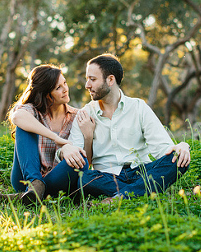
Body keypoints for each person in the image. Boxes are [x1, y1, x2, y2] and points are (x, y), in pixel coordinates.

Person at [65, 54, 192, 199]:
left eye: (92, 79)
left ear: (110, 80)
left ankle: (120, 197)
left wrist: (181, 146)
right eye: (87, 79)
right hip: (106, 177)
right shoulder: (84, 115)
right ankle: (143, 189)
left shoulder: (138, 107)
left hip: (140, 171)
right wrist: (83, 139)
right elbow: (78, 161)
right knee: (84, 178)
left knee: (178, 161)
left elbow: (163, 149)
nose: (87, 85)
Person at [0, 64, 88, 204]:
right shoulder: (32, 111)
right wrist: (56, 139)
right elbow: (17, 117)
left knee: (81, 160)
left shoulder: (76, 116)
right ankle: (35, 185)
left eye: (65, 83)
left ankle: (25, 197)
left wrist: (69, 148)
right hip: (24, 179)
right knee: (23, 127)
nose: (65, 89)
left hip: (55, 179)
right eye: (58, 88)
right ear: (45, 94)